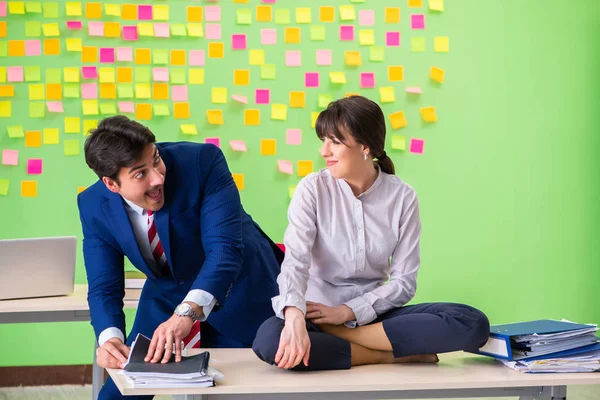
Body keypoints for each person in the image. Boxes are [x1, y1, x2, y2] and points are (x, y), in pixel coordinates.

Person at [252, 96, 490, 371]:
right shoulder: (312, 189)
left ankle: (344, 337)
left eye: (335, 142)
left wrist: (347, 315)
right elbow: (295, 262)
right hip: (314, 316)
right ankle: (388, 355)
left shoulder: (402, 197)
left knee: (472, 322)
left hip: (375, 317)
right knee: (270, 341)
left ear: (365, 147)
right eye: (323, 140)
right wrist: (295, 318)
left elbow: (403, 282)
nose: (324, 151)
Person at [78, 115, 282, 399]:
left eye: (156, 160)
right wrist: (109, 339)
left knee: (254, 387)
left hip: (241, 286)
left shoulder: (202, 162)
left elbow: (224, 251)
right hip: (166, 293)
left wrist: (187, 312)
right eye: (140, 174)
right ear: (112, 184)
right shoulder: (92, 205)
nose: (158, 177)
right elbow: (103, 286)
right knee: (117, 394)